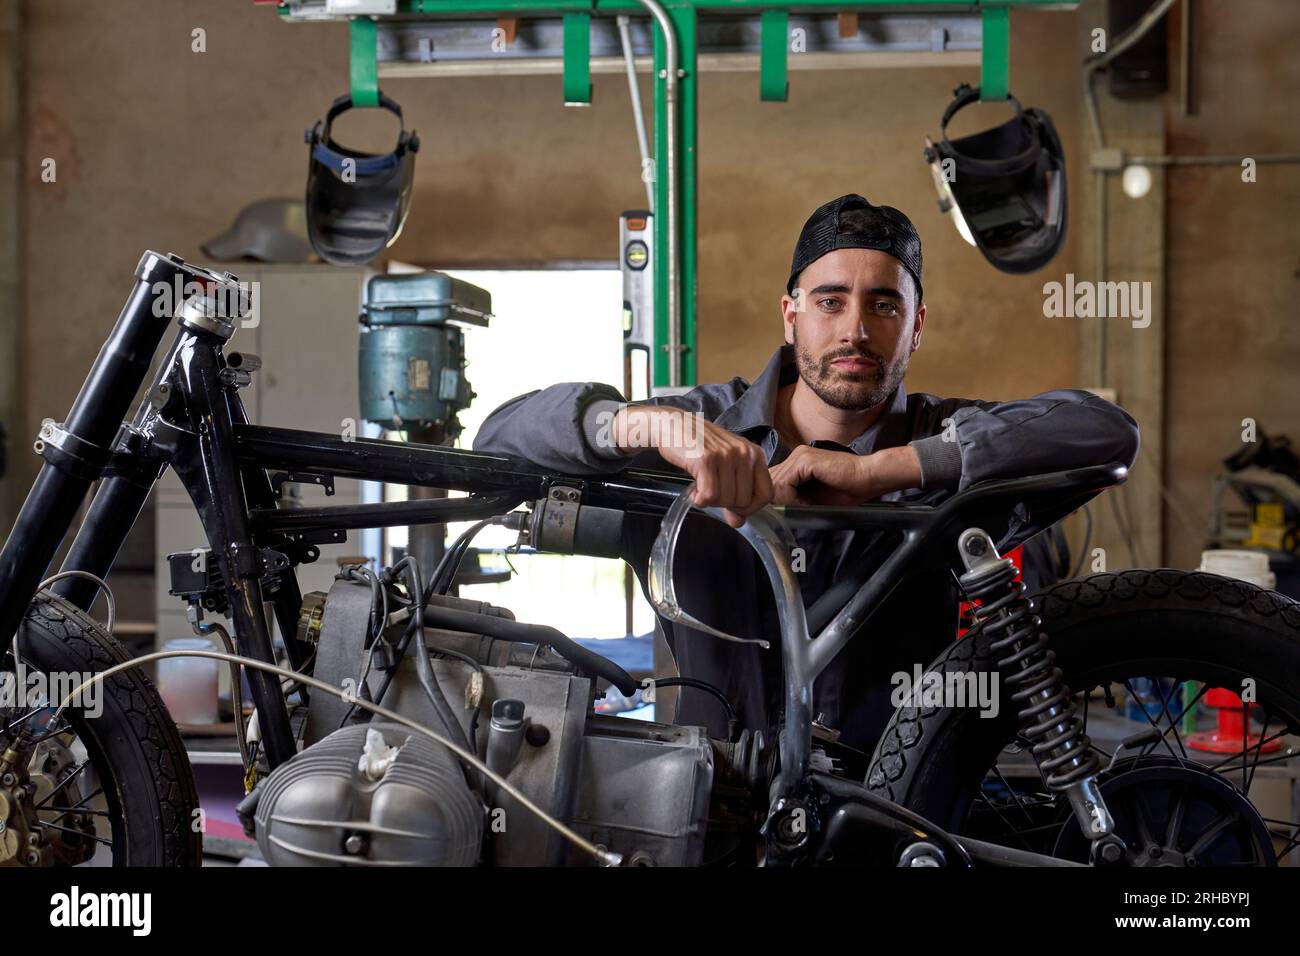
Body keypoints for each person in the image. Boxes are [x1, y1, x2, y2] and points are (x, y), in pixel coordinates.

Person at [474, 193, 1140, 752]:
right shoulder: (698, 429)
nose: (855, 330)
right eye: (830, 302)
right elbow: (496, 441)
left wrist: (885, 471)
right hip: (714, 818)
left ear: (916, 327)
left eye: (884, 305)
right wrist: (636, 423)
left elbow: (1104, 432)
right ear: (790, 316)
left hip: (896, 820)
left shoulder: (946, 437)